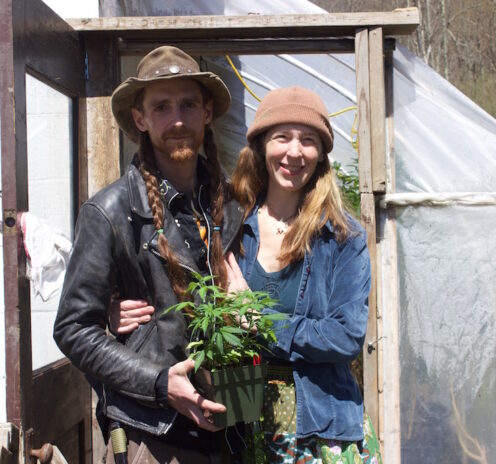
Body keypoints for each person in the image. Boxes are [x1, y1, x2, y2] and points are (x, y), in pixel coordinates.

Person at [115, 86, 379, 463]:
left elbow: (346, 336)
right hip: (245, 429)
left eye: (308, 140)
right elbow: (179, 290)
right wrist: (117, 313)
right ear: (261, 147)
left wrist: (257, 321)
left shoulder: (340, 238)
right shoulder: (231, 226)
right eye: (281, 137)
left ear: (321, 155)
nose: (294, 151)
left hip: (320, 433)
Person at [53, 45, 245, 463]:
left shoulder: (229, 207)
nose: (177, 120)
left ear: (207, 112)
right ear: (140, 118)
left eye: (188, 104)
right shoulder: (110, 212)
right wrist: (160, 382)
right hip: (153, 438)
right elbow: (72, 329)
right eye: (161, 107)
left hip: (228, 434)